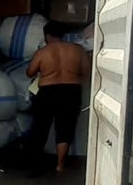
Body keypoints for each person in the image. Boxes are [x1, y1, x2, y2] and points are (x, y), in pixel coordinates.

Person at [26, 21, 91, 172]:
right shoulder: (78, 50)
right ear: (63, 34)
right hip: (71, 91)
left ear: (47, 36)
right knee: (65, 128)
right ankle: (60, 165)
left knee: (41, 127)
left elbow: (30, 72)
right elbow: (86, 71)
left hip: (47, 92)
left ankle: (35, 165)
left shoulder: (43, 52)